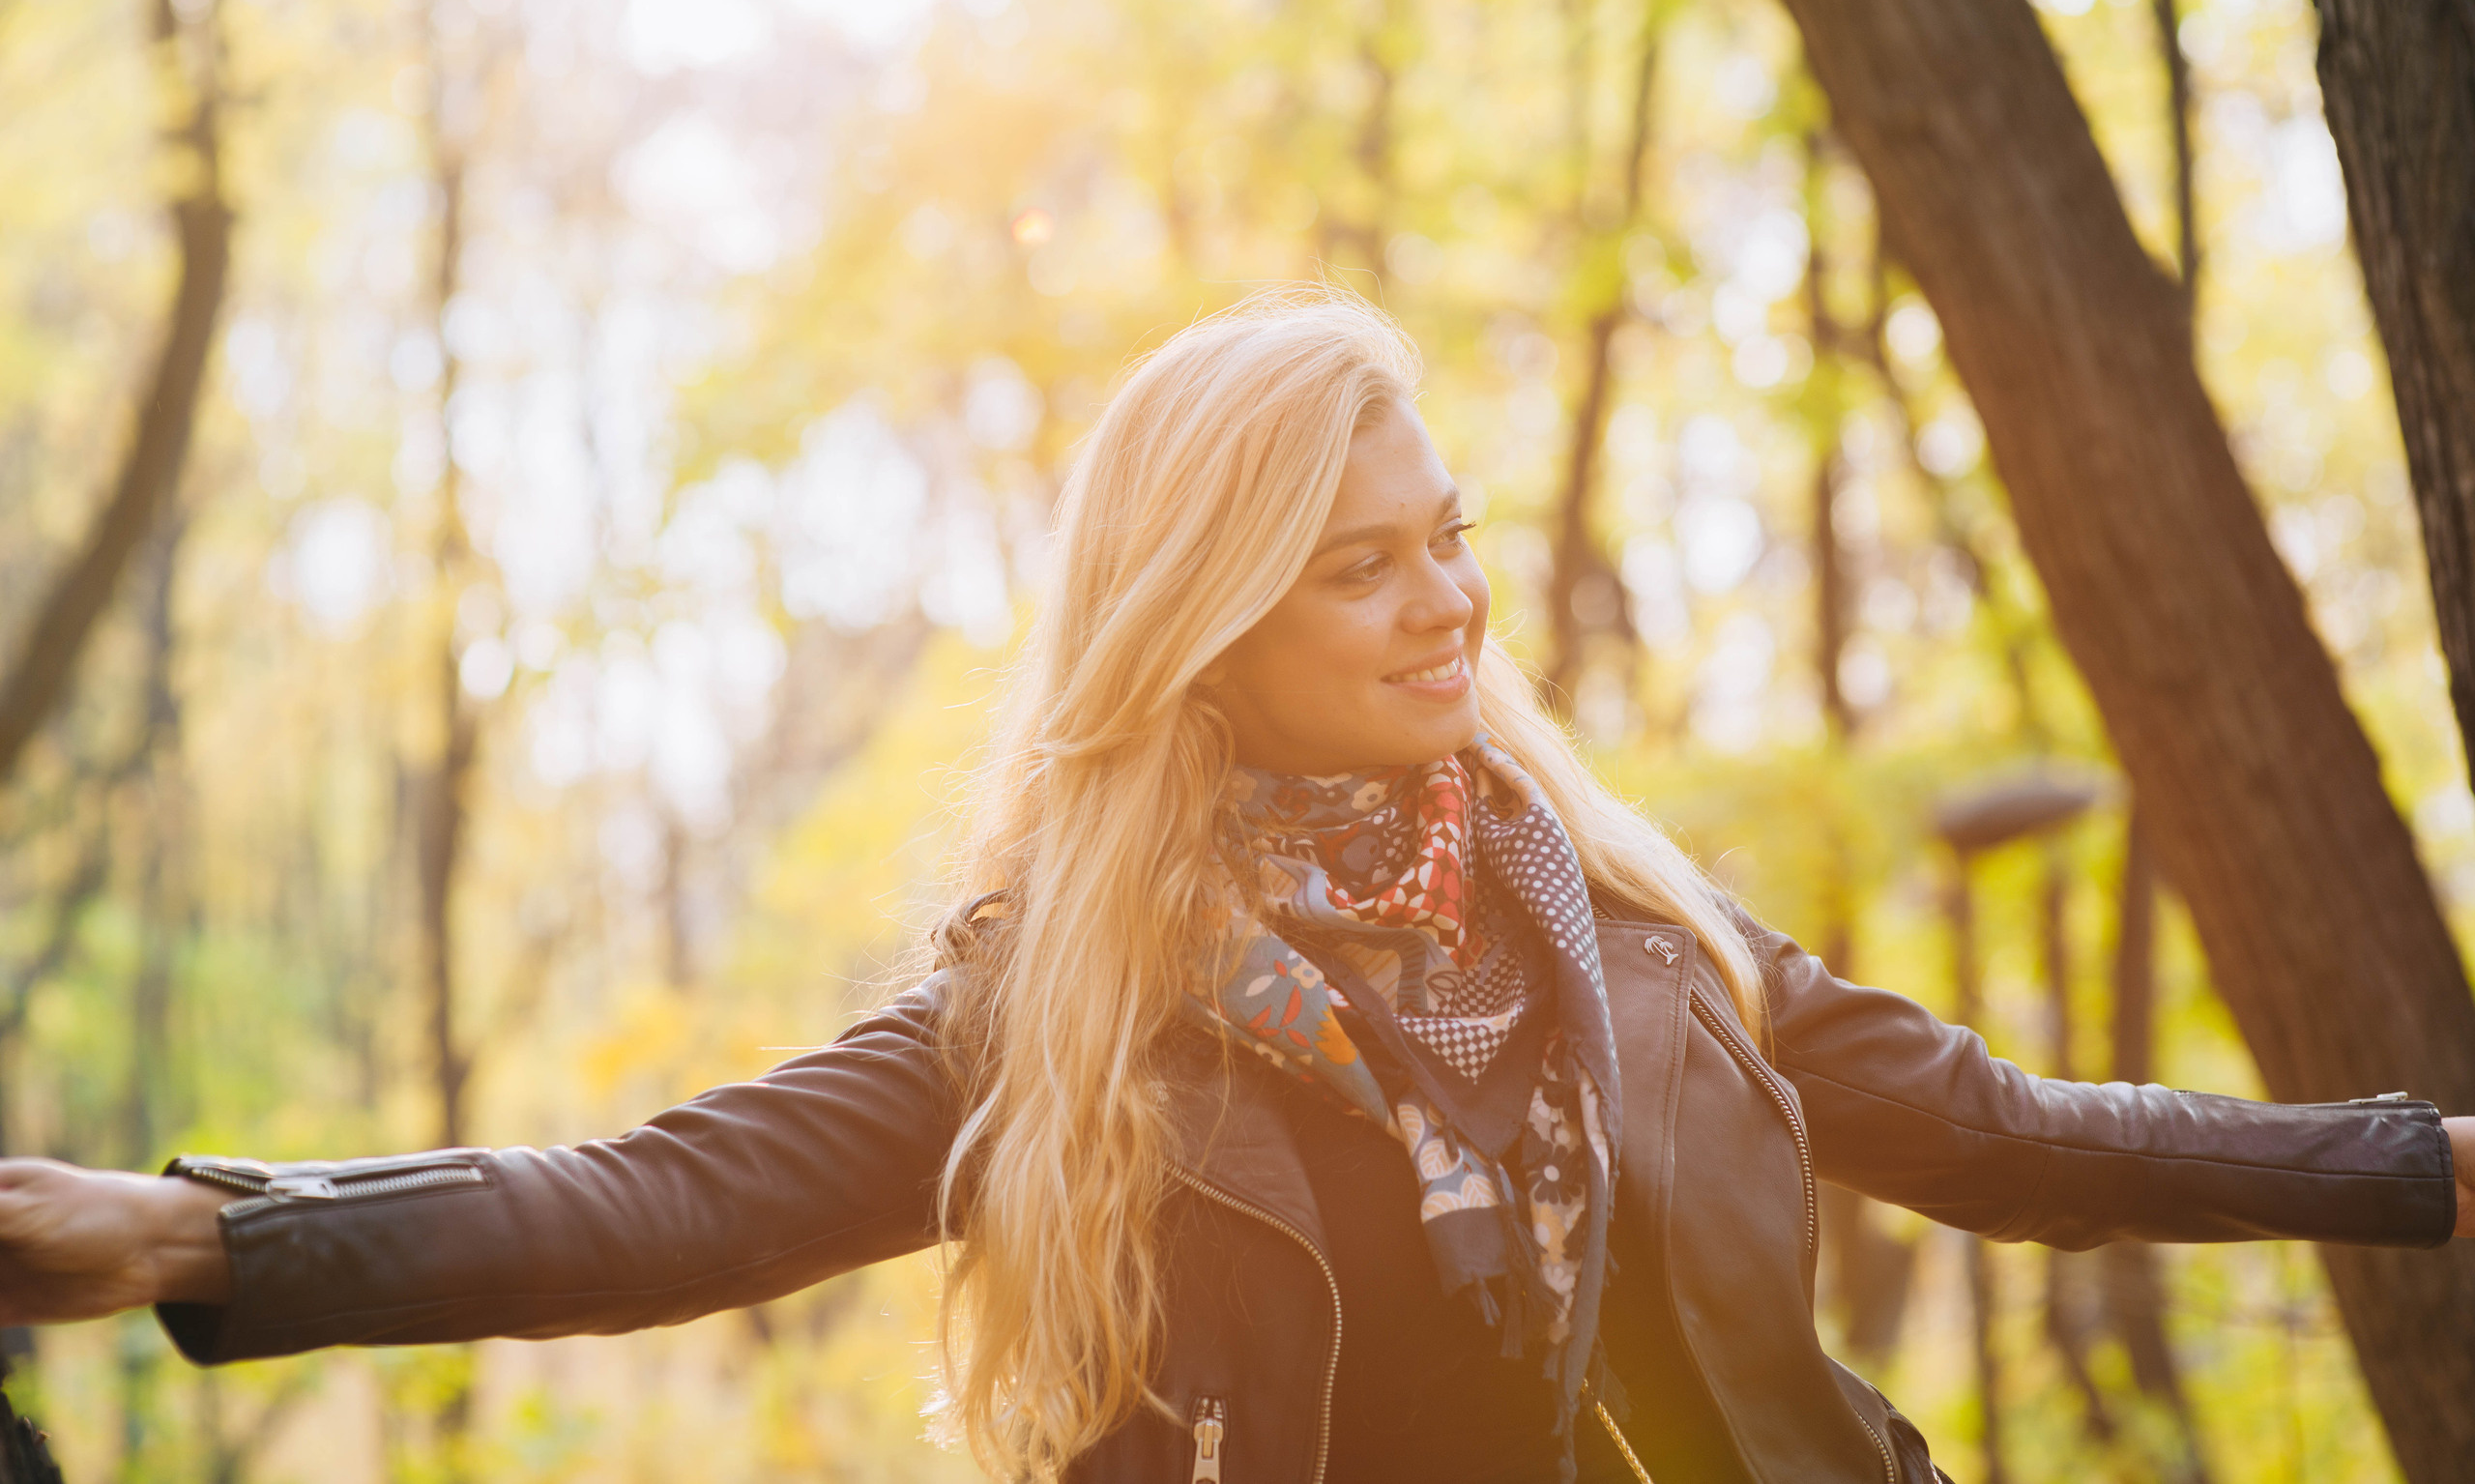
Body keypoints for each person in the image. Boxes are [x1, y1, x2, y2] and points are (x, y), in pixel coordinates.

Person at [0, 291, 2466, 1484]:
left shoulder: (1622, 933)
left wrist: (2425, 1168)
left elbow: (2006, 1135)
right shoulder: (1057, 1007)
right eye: (1355, 568)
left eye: (1448, 542)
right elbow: (663, 1203)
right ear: (1204, 619)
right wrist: (212, 1236)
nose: (1448, 605)